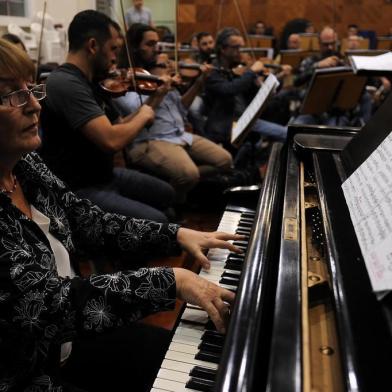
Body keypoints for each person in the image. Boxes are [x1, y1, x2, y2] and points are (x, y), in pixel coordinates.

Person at [0, 36, 243, 392]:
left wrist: (175, 234)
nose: (35, 106)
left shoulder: (25, 165)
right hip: (27, 372)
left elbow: (84, 219)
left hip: (69, 342)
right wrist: (168, 281)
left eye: (31, 88)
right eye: (12, 95)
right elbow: (46, 306)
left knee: (209, 361)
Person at [40, 10, 176, 223]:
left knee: (167, 194)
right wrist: (143, 116)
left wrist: (156, 99)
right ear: (93, 46)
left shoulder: (93, 81)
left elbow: (119, 125)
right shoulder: (65, 83)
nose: (115, 58)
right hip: (78, 189)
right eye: (113, 49)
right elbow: (111, 140)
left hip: (105, 176)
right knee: (160, 221)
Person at [115, 24, 233, 203]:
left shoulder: (159, 75)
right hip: (151, 140)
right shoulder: (126, 80)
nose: (157, 49)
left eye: (157, 44)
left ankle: (168, 184)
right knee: (189, 174)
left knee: (225, 160)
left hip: (179, 135)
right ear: (134, 47)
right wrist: (158, 92)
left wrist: (199, 83)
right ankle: (170, 204)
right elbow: (136, 115)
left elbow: (182, 108)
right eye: (150, 44)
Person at [203, 27, 287, 148]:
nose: (240, 51)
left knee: (285, 130)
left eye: (241, 47)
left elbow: (264, 94)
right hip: (227, 123)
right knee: (285, 134)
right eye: (236, 47)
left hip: (246, 119)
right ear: (222, 49)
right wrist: (251, 72)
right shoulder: (213, 71)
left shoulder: (238, 69)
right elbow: (230, 89)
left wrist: (269, 81)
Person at [293, 26, 372, 126]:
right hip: (312, 113)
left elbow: (360, 88)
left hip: (337, 114)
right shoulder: (311, 61)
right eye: (326, 44)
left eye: (332, 44)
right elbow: (296, 80)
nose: (330, 47)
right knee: (295, 129)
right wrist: (317, 66)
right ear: (319, 44)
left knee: (332, 134)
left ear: (337, 43)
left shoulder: (344, 62)